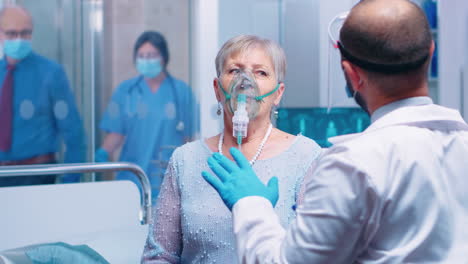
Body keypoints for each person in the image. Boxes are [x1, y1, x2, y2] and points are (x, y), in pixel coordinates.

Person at [203, 0, 468, 263]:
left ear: (352, 74)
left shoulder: (351, 165)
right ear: (431, 51)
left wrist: (250, 203)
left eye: (261, 72)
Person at [141, 35, 322, 263]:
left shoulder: (306, 157)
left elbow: (317, 253)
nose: (245, 82)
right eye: (235, 70)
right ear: (218, 89)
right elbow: (159, 255)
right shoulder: (185, 160)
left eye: (261, 72)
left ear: (278, 93)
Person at [97, 31, 199, 202]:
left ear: (164, 57)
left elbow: (189, 140)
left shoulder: (181, 92)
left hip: (168, 178)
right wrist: (102, 154)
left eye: (152, 55)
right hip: (131, 179)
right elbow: (116, 134)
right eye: (142, 56)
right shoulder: (126, 91)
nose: (147, 60)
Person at [0, 5, 85, 186]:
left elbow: (73, 130)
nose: (19, 39)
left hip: (37, 174)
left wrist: (70, 182)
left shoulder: (51, 73)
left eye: (25, 33)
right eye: (11, 33)